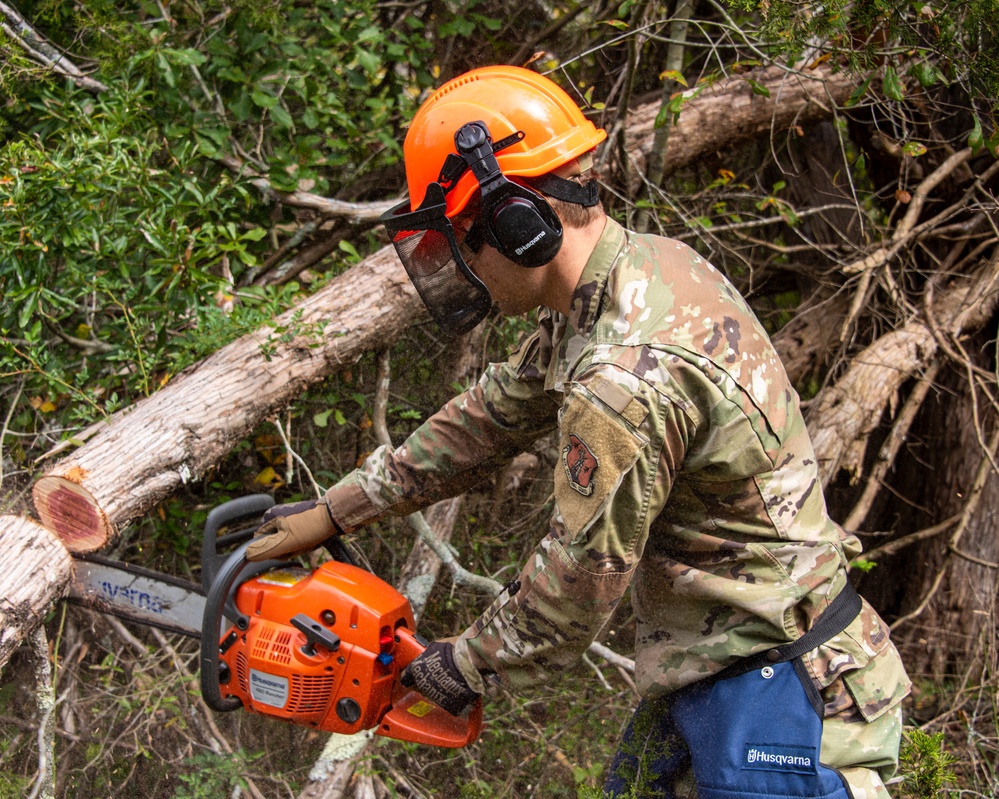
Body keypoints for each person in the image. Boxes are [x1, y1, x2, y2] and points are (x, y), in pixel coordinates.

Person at [246, 65, 911, 798]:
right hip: (721, 667)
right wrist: (338, 507)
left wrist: (457, 666)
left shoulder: (623, 375)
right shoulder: (638, 274)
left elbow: (576, 583)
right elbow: (493, 410)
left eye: (463, 242)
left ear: (516, 222)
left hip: (783, 688)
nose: (463, 266)